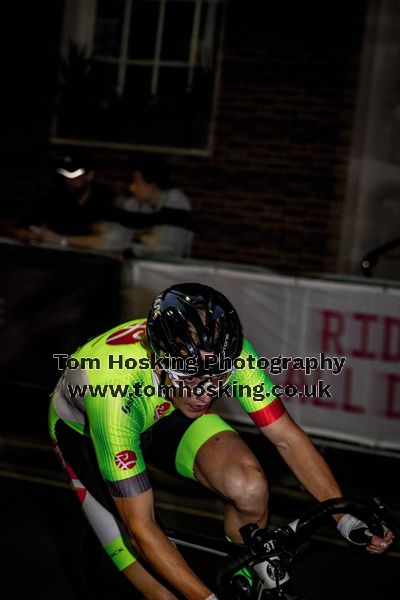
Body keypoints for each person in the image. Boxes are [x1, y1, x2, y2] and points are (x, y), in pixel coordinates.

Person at [49, 283, 393, 599]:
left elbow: (287, 438)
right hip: (89, 431)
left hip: (168, 407)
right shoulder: (113, 389)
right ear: (160, 360)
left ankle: (247, 572)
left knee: (249, 486)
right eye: (193, 378)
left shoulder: (227, 353)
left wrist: (343, 517)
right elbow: (142, 527)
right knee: (163, 592)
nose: (206, 393)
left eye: (217, 378)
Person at [7, 154, 116, 251]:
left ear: (89, 175)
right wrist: (24, 234)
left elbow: (107, 242)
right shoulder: (57, 196)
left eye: (74, 175)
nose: (68, 180)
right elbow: (17, 223)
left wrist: (61, 240)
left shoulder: (105, 199)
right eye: (64, 173)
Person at [110, 156, 194, 259]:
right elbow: (115, 239)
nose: (132, 188)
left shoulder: (176, 203)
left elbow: (170, 251)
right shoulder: (135, 202)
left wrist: (134, 244)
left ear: (151, 186)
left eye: (137, 182)